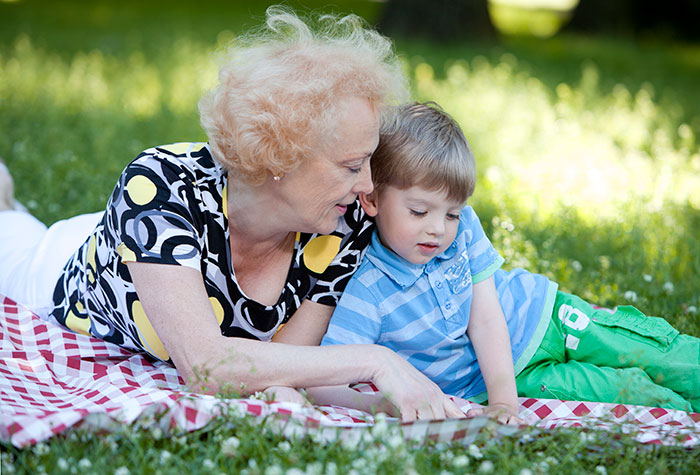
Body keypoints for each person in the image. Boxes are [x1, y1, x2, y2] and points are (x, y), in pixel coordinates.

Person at [0, 7, 466, 422]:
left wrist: (384, 403)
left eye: (368, 161)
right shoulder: (160, 185)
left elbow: (282, 366)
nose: (367, 186)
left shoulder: (342, 222)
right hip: (46, 267)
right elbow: (206, 367)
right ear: (281, 157)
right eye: (350, 166)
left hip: (145, 256)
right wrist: (376, 361)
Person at [318, 102, 700, 422]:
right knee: (629, 394)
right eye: (419, 211)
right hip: (516, 378)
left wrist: (503, 402)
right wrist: (385, 405)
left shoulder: (464, 228)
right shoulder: (368, 291)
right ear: (371, 200)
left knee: (654, 352)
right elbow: (326, 380)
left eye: (451, 213)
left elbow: (484, 316)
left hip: (546, 317)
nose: (438, 229)